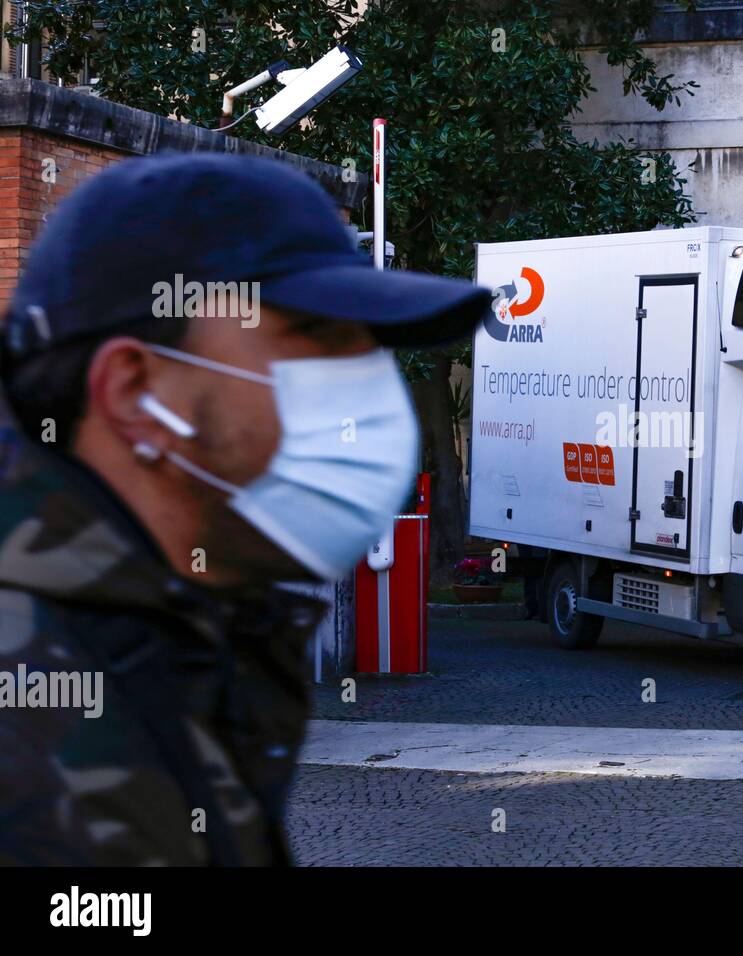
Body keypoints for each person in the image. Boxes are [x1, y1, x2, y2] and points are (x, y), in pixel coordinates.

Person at [0, 152, 488, 865]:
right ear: (137, 393)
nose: (368, 390)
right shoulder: (28, 722)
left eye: (367, 348)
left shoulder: (192, 626)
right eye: (317, 338)